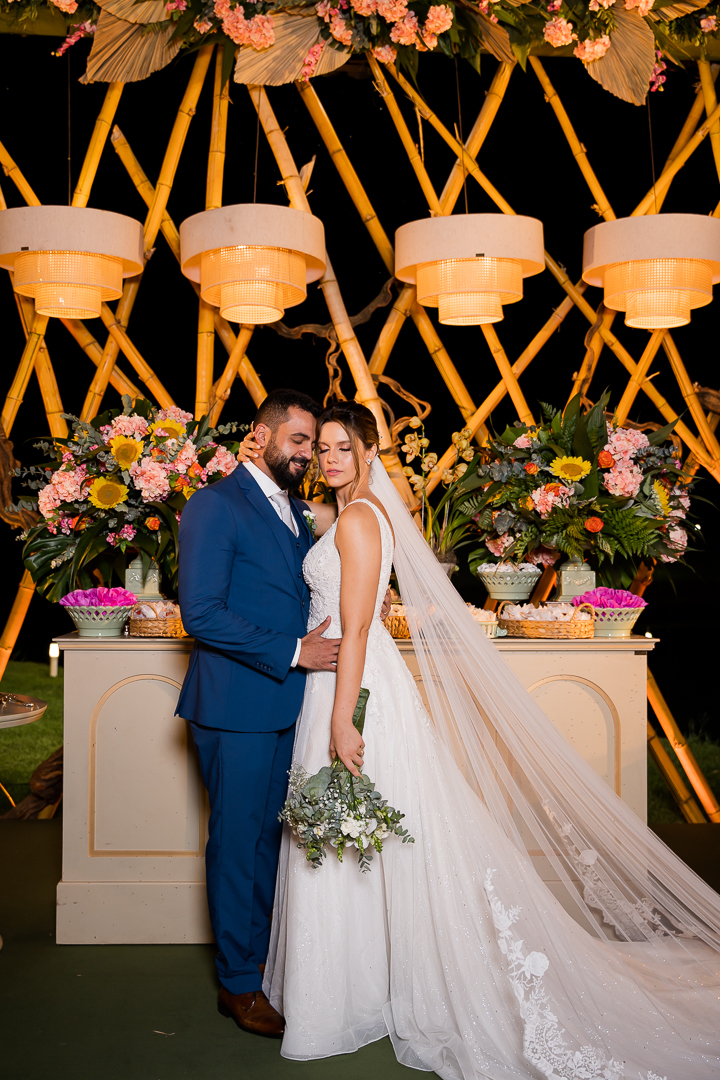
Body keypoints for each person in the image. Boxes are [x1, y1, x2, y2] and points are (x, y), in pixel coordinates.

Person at [260, 401, 720, 1079]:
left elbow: (356, 627)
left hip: (348, 685)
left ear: (369, 452)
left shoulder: (358, 519)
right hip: (349, 675)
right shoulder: (360, 512)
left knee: (345, 829)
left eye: (341, 448)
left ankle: (343, 997)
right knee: (357, 835)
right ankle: (362, 987)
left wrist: (342, 717)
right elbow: (342, 573)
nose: (328, 459)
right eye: (321, 448)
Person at [176, 388, 342, 1039]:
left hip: (284, 704)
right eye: (298, 441)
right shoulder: (215, 504)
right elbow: (201, 613)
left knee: (271, 842)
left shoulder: (293, 509)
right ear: (263, 434)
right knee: (237, 844)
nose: (306, 455)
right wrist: (295, 650)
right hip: (235, 706)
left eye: (312, 445)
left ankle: (263, 963)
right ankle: (238, 984)